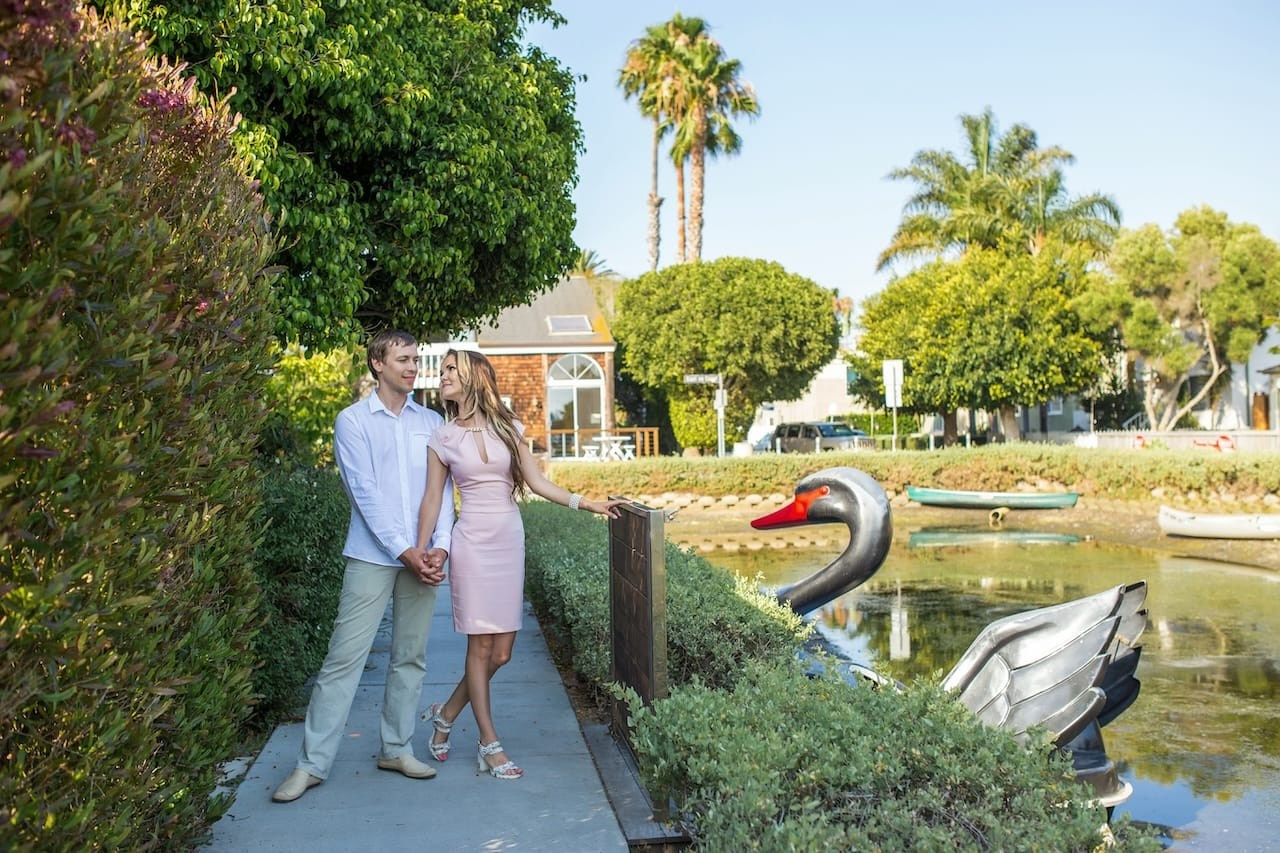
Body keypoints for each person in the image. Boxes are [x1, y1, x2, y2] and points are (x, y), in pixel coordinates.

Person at [416, 348, 624, 780]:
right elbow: (433, 498)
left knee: (503, 653)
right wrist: (421, 550)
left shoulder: (509, 427)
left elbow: (536, 481)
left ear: (473, 376)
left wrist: (589, 503)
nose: (443, 376)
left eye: (451, 369)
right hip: (471, 543)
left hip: (508, 541)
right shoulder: (442, 437)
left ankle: (446, 713)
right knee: (480, 648)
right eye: (444, 370)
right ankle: (489, 744)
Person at [272, 330, 456, 803]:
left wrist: (439, 547)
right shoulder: (351, 422)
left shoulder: (431, 421)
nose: (414, 367)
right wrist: (405, 551)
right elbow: (365, 495)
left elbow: (443, 492)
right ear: (378, 364)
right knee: (342, 661)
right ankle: (311, 765)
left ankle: (395, 748)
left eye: (417, 360)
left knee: (410, 658)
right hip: (373, 557)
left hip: (423, 557)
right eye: (403, 360)